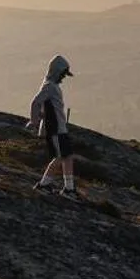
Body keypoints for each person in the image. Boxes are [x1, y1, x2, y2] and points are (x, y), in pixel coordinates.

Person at [26, 54, 80, 199]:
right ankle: (44, 185)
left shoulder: (51, 85)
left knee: (67, 156)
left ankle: (69, 188)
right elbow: (35, 102)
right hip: (54, 128)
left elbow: (42, 106)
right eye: (63, 74)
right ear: (57, 72)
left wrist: (40, 116)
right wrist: (34, 121)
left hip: (60, 127)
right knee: (60, 157)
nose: (63, 78)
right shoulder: (49, 86)